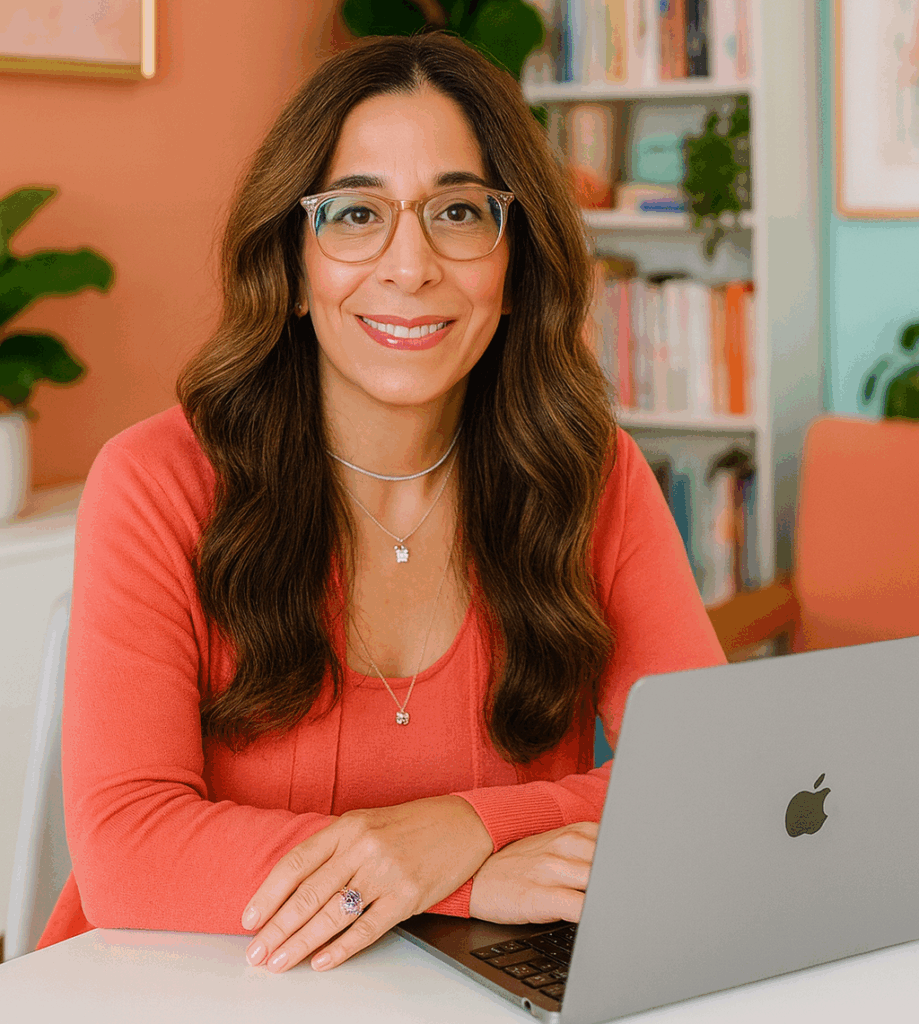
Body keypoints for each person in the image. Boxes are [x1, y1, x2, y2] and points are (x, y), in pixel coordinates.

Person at [38, 31, 726, 973]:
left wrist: (468, 823)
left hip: (474, 994)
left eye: (458, 211)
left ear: (516, 261)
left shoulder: (590, 472)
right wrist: (454, 873)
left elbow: (712, 771)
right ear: (292, 264)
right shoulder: (156, 483)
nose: (410, 267)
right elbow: (128, 849)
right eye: (356, 215)